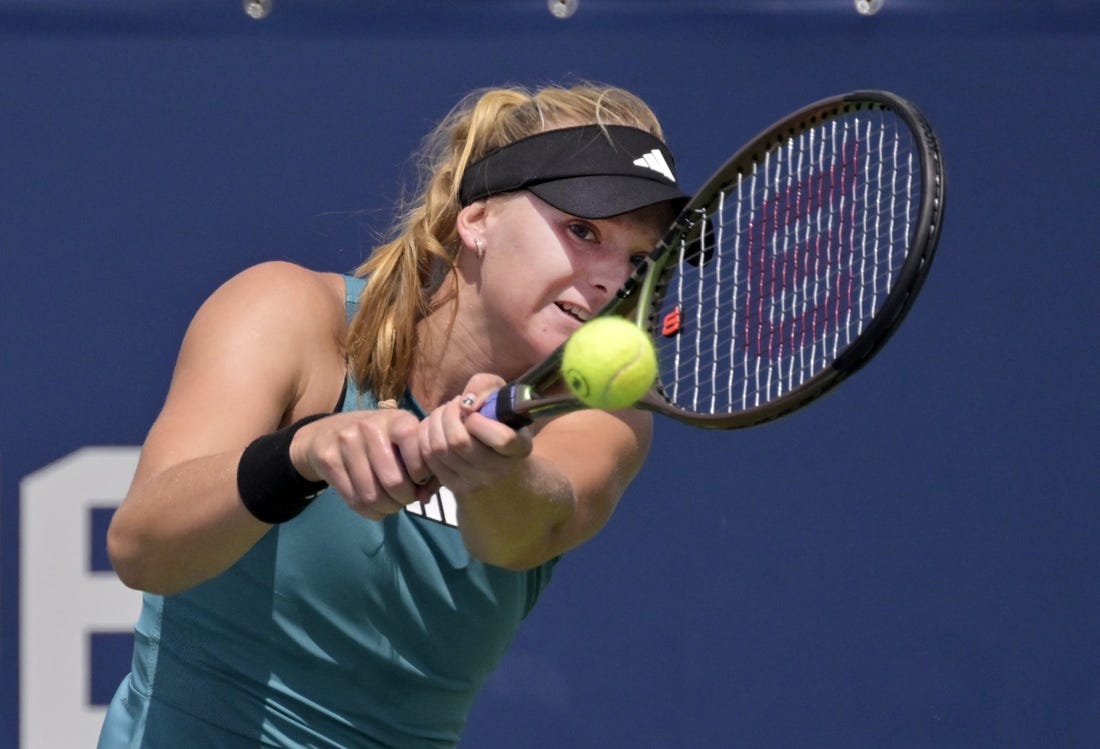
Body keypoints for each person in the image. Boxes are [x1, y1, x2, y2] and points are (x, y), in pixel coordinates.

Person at [97, 81, 690, 748]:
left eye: (641, 260)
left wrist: (494, 467)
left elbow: (522, 532)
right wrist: (300, 456)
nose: (613, 280)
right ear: (478, 219)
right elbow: (141, 548)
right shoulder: (287, 316)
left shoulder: (603, 418)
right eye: (583, 230)